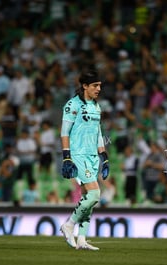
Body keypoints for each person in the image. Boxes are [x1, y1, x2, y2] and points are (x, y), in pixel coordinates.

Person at [59, 69, 109, 251]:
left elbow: (99, 134)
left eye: (100, 86)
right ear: (85, 86)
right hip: (78, 154)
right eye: (95, 86)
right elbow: (64, 132)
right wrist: (66, 157)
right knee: (95, 194)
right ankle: (69, 225)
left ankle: (81, 238)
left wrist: (104, 157)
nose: (98, 89)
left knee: (89, 198)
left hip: (93, 156)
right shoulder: (72, 105)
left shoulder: (96, 107)